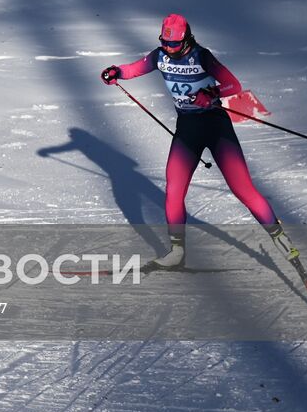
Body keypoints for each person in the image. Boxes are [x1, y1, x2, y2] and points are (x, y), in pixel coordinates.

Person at [100, 14, 295, 270]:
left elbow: (232, 84)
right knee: (174, 189)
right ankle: (177, 253)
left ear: (187, 39)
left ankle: (282, 241)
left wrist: (211, 93)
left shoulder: (202, 56)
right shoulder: (160, 56)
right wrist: (116, 72)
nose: (170, 49)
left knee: (242, 189)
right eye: (165, 43)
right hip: (188, 128)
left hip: (215, 126)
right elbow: (134, 68)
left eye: (174, 44)